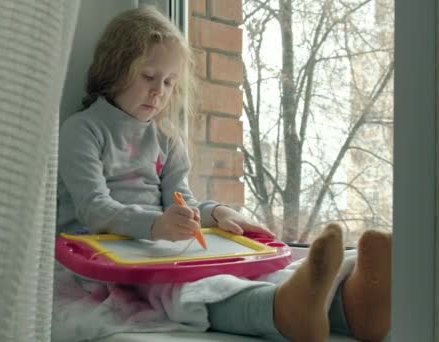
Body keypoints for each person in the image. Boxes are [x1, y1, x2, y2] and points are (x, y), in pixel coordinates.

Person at [56, 6, 391, 342]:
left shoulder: (165, 138)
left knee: (241, 272)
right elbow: (94, 209)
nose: (159, 91)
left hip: (158, 246)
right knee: (191, 290)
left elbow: (182, 201)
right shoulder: (83, 130)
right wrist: (157, 225)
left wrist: (216, 214)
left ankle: (354, 306)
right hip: (106, 257)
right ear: (115, 68)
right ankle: (286, 313)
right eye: (148, 77)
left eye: (169, 82)